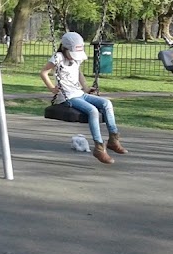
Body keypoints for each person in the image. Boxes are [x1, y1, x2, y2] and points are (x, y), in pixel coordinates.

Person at [40, 31, 126, 165]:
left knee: (107, 103)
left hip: (79, 93)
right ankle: (99, 147)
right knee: (93, 111)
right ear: (65, 48)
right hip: (67, 97)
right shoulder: (58, 57)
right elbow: (44, 72)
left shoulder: (76, 59)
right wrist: (52, 88)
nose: (74, 58)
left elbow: (78, 73)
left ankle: (113, 139)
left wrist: (86, 88)